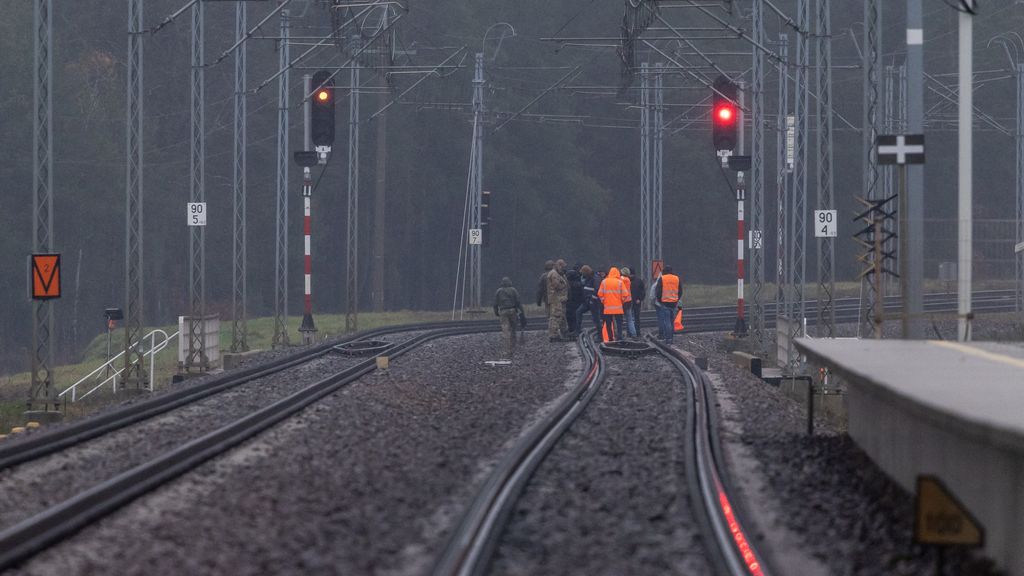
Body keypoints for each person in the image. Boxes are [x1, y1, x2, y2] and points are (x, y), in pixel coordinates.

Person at [493, 277, 525, 357]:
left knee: (505, 330)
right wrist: (522, 312)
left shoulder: (499, 291)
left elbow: (495, 303)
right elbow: (518, 301)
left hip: (503, 311)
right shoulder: (513, 290)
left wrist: (496, 312)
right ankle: (513, 346)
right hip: (513, 310)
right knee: (513, 329)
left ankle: (506, 349)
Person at [597, 267, 629, 342]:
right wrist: (621, 301)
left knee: (608, 323)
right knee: (619, 323)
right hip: (618, 307)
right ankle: (619, 337)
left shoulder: (604, 282)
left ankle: (610, 338)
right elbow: (625, 294)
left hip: (607, 307)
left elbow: (600, 294)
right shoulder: (620, 282)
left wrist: (603, 301)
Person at [652, 265, 681, 344]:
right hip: (674, 303)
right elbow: (680, 291)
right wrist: (676, 300)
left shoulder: (662, 278)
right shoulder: (676, 278)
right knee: (672, 321)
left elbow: (658, 291)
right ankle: (671, 338)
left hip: (665, 303)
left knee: (667, 321)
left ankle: (668, 339)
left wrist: (660, 301)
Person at [545, 259, 569, 341]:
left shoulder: (557, 273)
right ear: (559, 265)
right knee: (555, 316)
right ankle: (553, 335)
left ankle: (563, 333)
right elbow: (557, 285)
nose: (563, 269)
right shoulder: (554, 274)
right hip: (556, 299)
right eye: (562, 267)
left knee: (561, 317)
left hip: (559, 299)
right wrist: (564, 285)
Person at [577, 265, 600, 334]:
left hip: (593, 302)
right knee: (578, 312)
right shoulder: (588, 278)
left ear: (586, 272)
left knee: (596, 319)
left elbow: (597, 290)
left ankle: (600, 334)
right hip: (587, 301)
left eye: (583, 273)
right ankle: (578, 330)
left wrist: (592, 299)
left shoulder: (595, 279)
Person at [565, 267, 584, 335]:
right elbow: (582, 293)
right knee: (576, 316)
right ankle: (577, 329)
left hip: (569, 303)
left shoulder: (566, 285)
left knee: (569, 316)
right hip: (577, 302)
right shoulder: (579, 284)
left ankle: (571, 329)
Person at [628, 267, 646, 336]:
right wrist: (640, 298)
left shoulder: (637, 281)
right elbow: (643, 291)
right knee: (633, 318)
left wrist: (640, 299)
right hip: (632, 301)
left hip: (634, 301)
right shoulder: (638, 281)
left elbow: (643, 291)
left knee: (634, 318)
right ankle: (634, 332)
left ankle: (635, 332)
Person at [620, 267, 637, 338]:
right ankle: (633, 334)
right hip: (629, 301)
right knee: (630, 319)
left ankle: (620, 334)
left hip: (622, 301)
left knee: (620, 319)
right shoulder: (628, 280)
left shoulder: (621, 280)